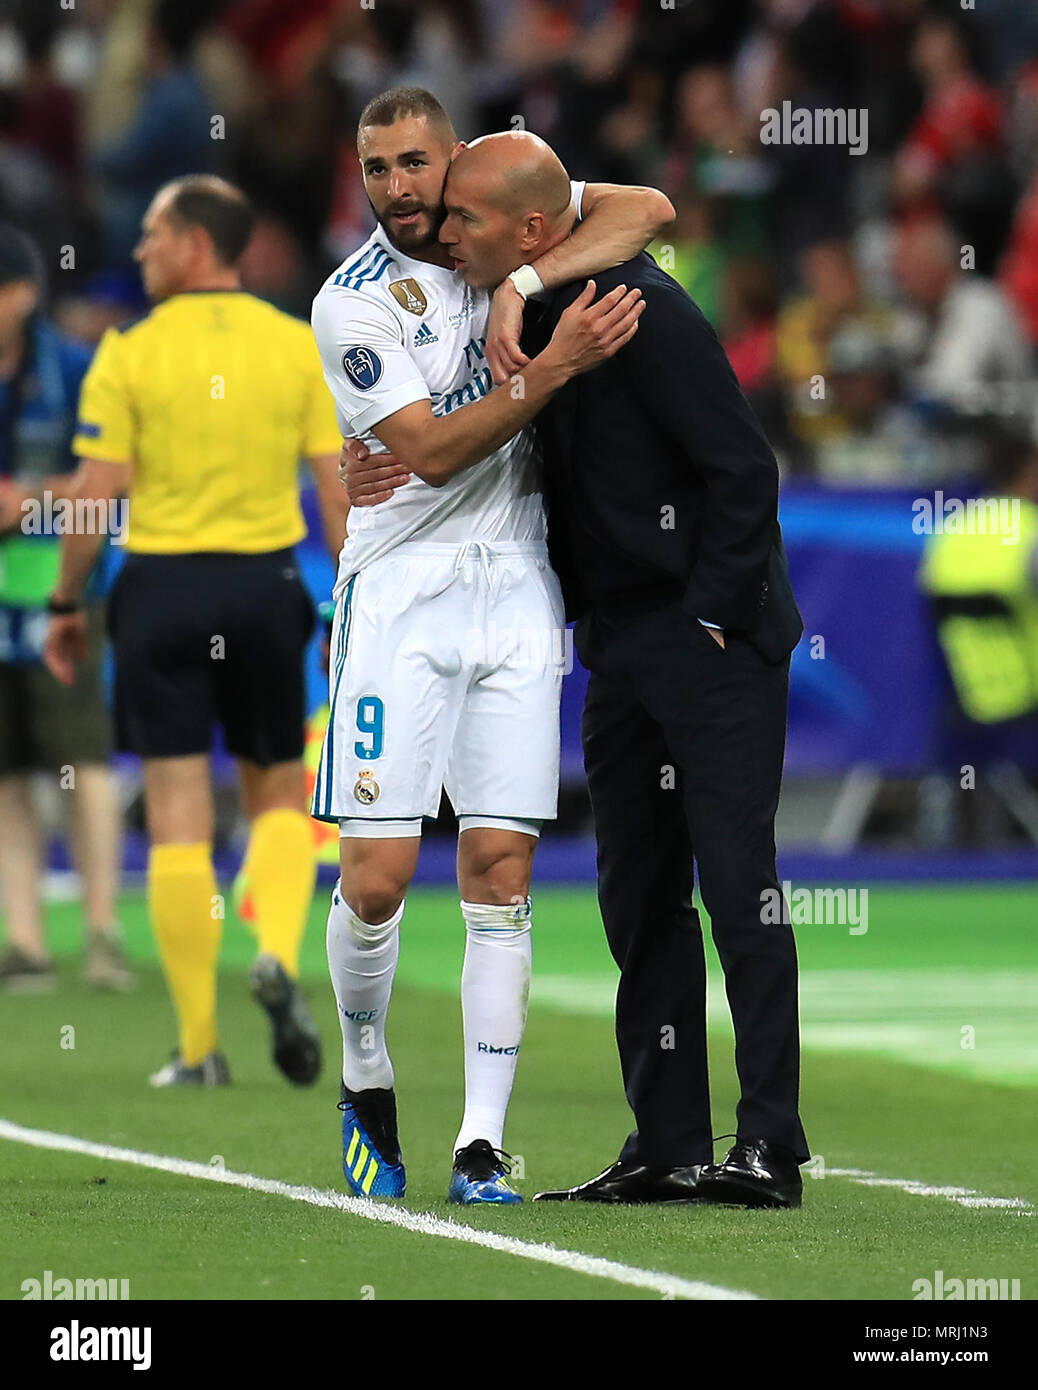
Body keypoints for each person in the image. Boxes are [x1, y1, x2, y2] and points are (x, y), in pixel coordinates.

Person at [345, 132, 811, 1209]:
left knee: (741, 890)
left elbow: (745, 470)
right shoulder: (536, 304)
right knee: (637, 896)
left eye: (464, 217)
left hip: (709, 642)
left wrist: (707, 620)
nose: (443, 229)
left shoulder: (637, 311)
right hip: (618, 641)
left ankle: (771, 1144)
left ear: (533, 229)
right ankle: (667, 1141)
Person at [311, 87, 667, 1205]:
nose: (401, 188)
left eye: (415, 162)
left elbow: (647, 205)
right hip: (401, 595)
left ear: (455, 158)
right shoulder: (352, 302)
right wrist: (547, 369)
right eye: (377, 170)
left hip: (516, 588)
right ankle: (367, 1079)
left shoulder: (498, 229)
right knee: (374, 878)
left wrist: (522, 278)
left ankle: (478, 1141)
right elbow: (425, 452)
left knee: (501, 869)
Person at [44, 175, 346, 1088]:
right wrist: (348, 603)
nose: (137, 252)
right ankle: (280, 961)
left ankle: (197, 1045)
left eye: (151, 234)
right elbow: (336, 485)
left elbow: (97, 493)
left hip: (162, 590)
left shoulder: (127, 351)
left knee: (176, 813)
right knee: (278, 794)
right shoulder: (298, 346)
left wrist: (64, 604)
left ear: (197, 245)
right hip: (265, 585)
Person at [0, 224, 131, 993]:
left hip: (63, 593)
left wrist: (33, 502)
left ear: (20, 297)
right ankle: (24, 940)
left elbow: (115, 478)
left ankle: (103, 931)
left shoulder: (78, 370)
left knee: (83, 759)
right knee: (8, 771)